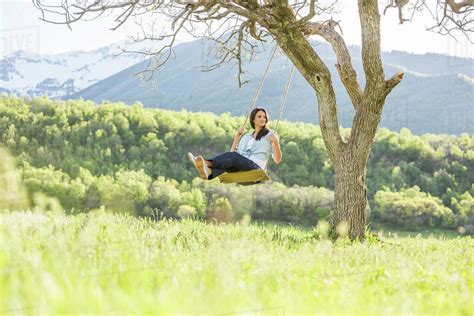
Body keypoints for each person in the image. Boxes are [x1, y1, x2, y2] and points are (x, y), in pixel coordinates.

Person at [188, 107, 282, 180]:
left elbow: (277, 160)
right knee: (228, 162)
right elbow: (233, 153)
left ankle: (205, 163)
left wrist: (276, 143)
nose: (263, 119)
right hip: (244, 166)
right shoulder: (247, 137)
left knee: (233, 158)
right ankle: (208, 172)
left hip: (256, 168)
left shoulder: (270, 134)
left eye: (264, 117)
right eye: (259, 116)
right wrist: (237, 137)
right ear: (253, 120)